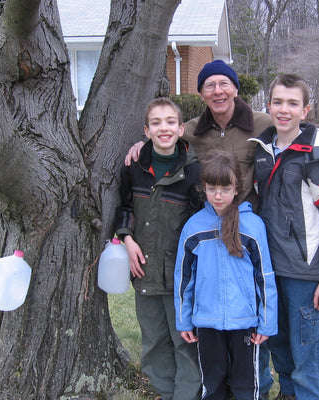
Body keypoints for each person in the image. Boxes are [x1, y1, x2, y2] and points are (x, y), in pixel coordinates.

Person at [125, 59, 275, 398]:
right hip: (207, 228)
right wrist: (140, 145)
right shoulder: (192, 128)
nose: (218, 90)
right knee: (210, 310)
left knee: (249, 311)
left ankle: (256, 387)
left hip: (246, 228)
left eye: (224, 83)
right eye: (210, 85)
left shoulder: (262, 124)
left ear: (236, 88)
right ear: (202, 92)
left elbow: (293, 137)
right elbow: (165, 136)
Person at [249, 74, 319, 400]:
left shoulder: (318, 158)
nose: (284, 109)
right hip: (269, 271)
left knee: (307, 349)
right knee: (277, 343)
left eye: (292, 103)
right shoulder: (262, 153)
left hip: (305, 274)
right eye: (278, 102)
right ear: (268, 106)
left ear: (305, 110)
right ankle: (289, 393)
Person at [115, 97, 203, 400]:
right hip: (144, 271)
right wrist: (127, 238)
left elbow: (199, 226)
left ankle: (187, 395)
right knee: (153, 342)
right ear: (146, 130)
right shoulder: (134, 168)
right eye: (156, 122)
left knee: (185, 342)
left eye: (169, 122)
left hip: (179, 277)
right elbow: (124, 207)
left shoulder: (193, 172)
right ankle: (166, 393)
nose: (163, 128)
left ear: (180, 129)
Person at [174, 150, 278, 400]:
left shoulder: (252, 226)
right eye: (211, 189)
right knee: (213, 382)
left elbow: (265, 277)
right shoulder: (194, 226)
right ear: (204, 188)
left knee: (245, 384)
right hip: (207, 322)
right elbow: (184, 278)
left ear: (236, 188)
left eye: (225, 189)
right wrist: (184, 320)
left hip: (245, 321)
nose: (218, 196)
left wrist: (266, 322)